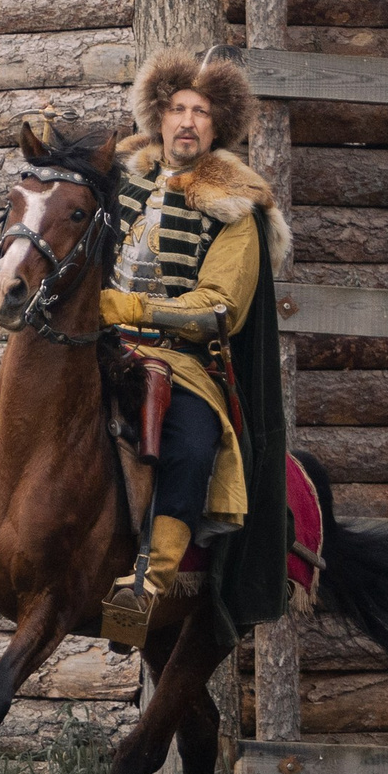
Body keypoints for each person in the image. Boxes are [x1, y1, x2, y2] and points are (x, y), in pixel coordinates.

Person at [96, 47, 292, 644]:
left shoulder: (238, 208)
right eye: (177, 108)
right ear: (158, 116)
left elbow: (219, 307)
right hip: (96, 343)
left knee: (192, 441)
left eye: (201, 113)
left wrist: (134, 307)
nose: (187, 121)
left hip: (176, 358)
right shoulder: (118, 175)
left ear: (217, 126)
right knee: (7, 399)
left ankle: (147, 583)